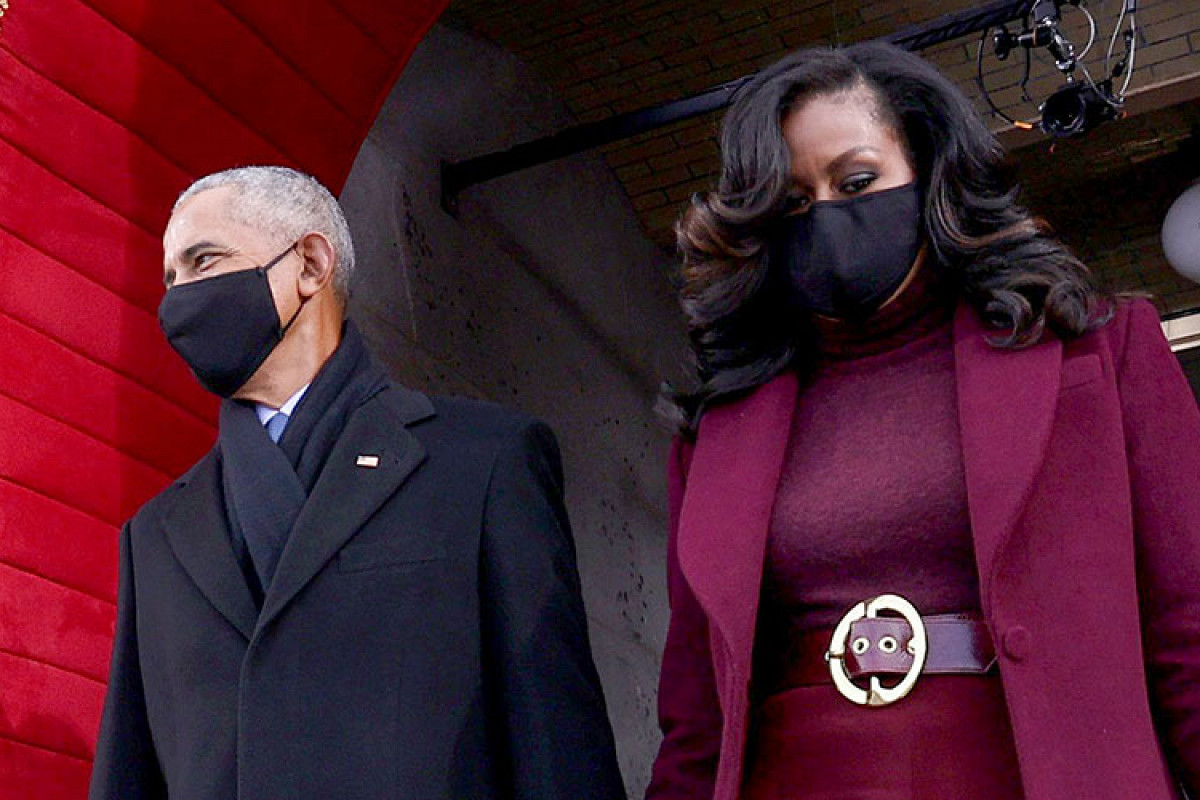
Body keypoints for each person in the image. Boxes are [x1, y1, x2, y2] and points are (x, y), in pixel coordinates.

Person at [645, 41, 1200, 800]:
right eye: (794, 201)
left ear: (929, 171)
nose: (827, 213)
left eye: (857, 181)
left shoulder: (1099, 353)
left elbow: (1189, 635)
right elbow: (693, 723)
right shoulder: (716, 435)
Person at [89, 166, 626, 800]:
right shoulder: (155, 536)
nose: (177, 300)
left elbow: (558, 745)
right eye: (170, 279)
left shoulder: (481, 461)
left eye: (203, 261)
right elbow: (130, 773)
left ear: (311, 265)